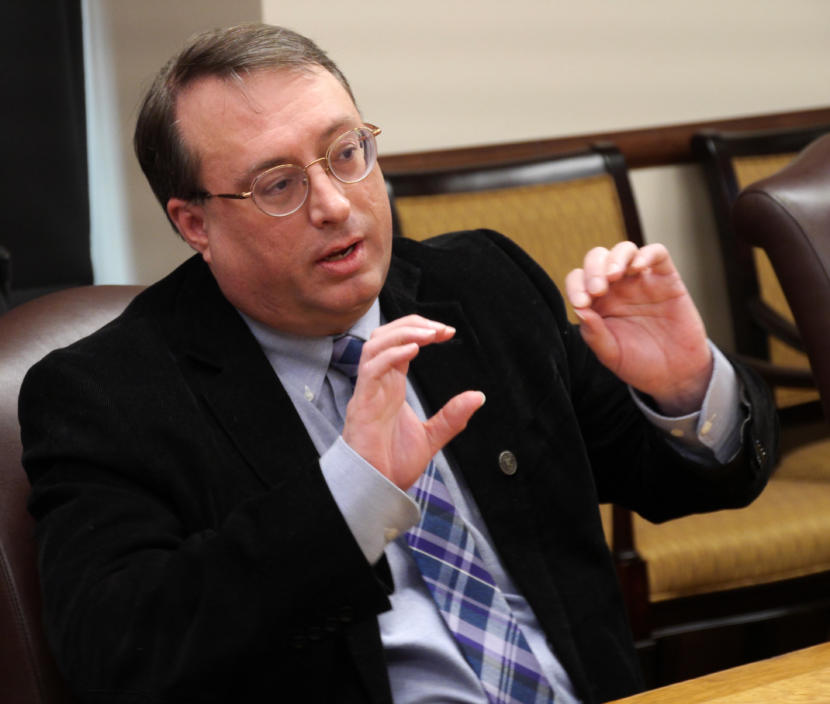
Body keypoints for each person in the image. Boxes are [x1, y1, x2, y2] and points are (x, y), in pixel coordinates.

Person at [19, 22, 777, 704]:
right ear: (195, 223)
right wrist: (350, 496)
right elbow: (117, 656)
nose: (336, 205)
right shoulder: (105, 394)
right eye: (279, 184)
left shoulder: (482, 286)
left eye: (347, 153)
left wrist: (682, 389)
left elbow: (677, 482)